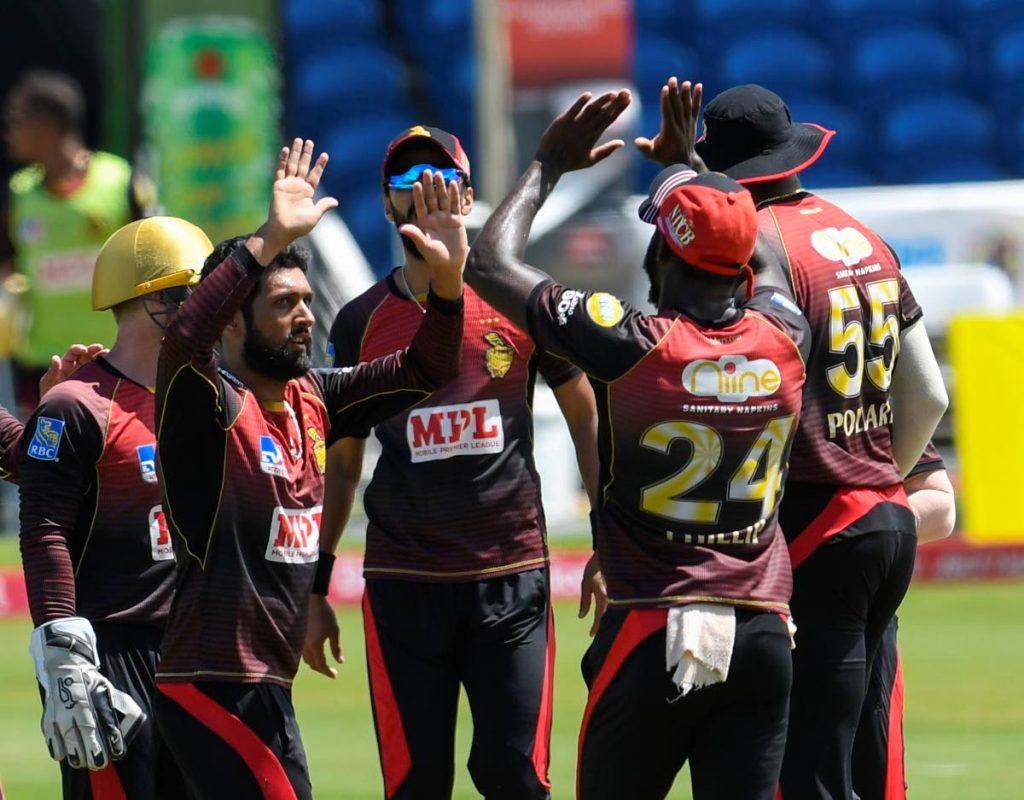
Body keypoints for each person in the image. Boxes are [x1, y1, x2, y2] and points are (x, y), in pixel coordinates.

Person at [465, 86, 813, 799]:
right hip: (763, 636)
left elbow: (489, 266)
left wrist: (548, 166)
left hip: (652, 629)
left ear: (663, 259)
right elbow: (756, 257)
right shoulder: (787, 335)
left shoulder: (632, 343)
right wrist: (693, 171)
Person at [151, 139, 466, 800]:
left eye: (306, 299)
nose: (304, 315)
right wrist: (266, 241)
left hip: (267, 682)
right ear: (233, 326)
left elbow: (426, 369)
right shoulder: (207, 405)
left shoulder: (315, 397)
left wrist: (447, 285)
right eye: (282, 303)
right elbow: (183, 340)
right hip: (211, 681)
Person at [307, 124, 599, 799]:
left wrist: (610, 540)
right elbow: (342, 465)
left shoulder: (519, 299)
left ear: (468, 197)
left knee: (516, 777)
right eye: (409, 184)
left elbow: (584, 410)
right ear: (387, 206)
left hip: (511, 575)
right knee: (416, 786)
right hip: (403, 582)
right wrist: (316, 586)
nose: (426, 196)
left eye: (442, 181)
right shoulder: (359, 321)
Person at [694, 83, 949, 799]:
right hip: (882, 521)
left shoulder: (755, 250)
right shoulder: (863, 234)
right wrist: (876, 479)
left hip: (806, 528)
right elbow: (929, 396)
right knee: (868, 747)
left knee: (804, 764)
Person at [19, 215, 211, 799]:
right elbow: (44, 522)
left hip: (201, 650)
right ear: (161, 302)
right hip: (111, 655)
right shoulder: (79, 405)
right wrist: (63, 648)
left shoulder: (216, 396)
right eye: (199, 295)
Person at [2, 69, 152, 411]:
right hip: (42, 364)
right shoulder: (18, 195)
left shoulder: (121, 183)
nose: (8, 132)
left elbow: (153, 265)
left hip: (116, 358)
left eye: (15, 120)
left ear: (46, 126)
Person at [852, 443, 956, 800]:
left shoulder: (864, 393)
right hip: (756, 618)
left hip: (859, 626)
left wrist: (859, 532)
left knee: (872, 782)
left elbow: (940, 507)